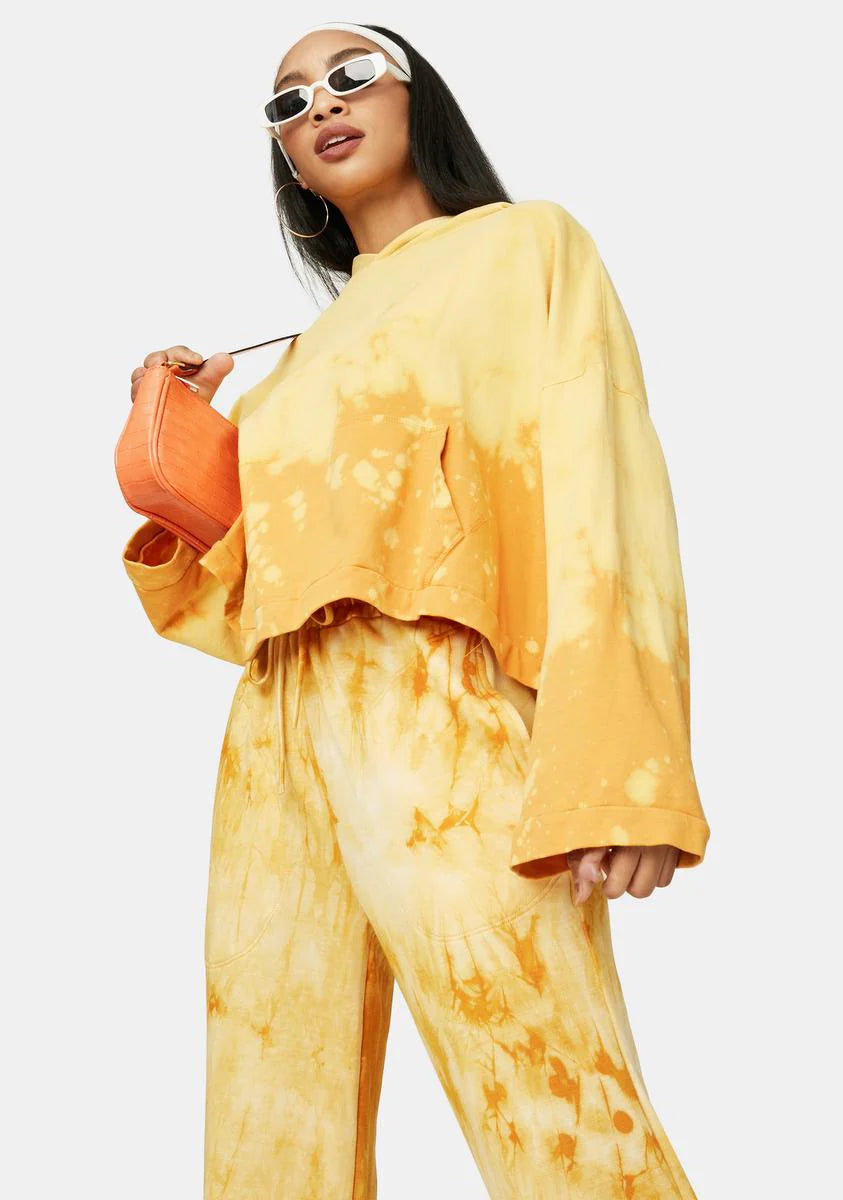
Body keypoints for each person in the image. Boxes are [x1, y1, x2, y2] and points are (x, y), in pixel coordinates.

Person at [121, 21, 710, 1200]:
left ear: (415, 101)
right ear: (290, 163)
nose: (319, 105)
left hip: (440, 705)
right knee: (270, 1095)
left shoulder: (525, 249)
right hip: (277, 729)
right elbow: (246, 608)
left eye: (351, 76)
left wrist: (622, 772)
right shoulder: (298, 360)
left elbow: (603, 491)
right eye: (288, 102)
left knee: (548, 1081)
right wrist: (181, 452)